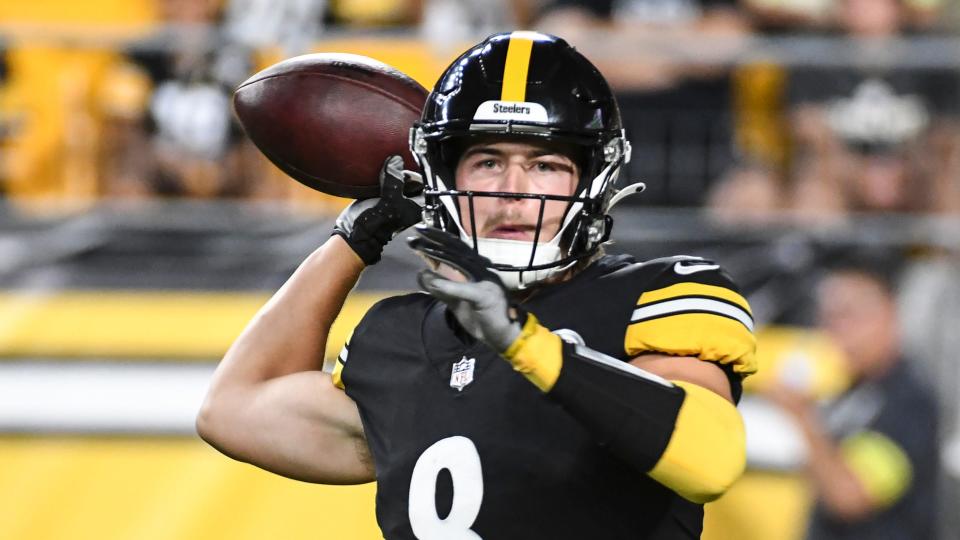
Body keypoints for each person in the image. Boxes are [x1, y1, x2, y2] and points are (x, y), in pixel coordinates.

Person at [198, 31, 757, 538]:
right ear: (441, 176)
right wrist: (355, 237)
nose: (514, 189)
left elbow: (712, 460)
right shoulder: (401, 336)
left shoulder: (658, 293)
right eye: (487, 161)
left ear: (594, 178)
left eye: (544, 164)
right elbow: (232, 409)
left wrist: (523, 343)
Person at [764, 260, 940, 540]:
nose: (835, 329)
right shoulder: (850, 386)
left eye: (848, 315)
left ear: (890, 315)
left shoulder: (906, 399)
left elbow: (849, 497)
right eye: (828, 317)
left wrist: (801, 415)